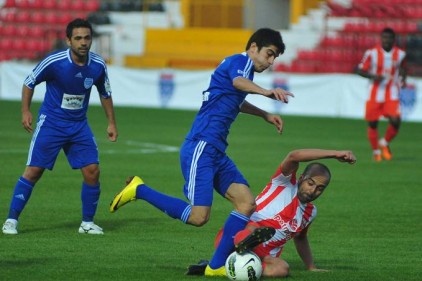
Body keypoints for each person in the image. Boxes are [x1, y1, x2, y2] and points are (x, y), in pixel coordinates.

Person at [109, 28, 293, 275]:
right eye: (269, 54)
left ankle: (215, 266)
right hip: (202, 146)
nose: (270, 62)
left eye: (274, 58)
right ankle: (140, 190)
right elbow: (238, 83)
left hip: (216, 151)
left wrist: (265, 115)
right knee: (198, 217)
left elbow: (236, 99)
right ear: (253, 48)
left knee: (246, 203)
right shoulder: (238, 62)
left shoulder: (244, 69)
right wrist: (266, 92)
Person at [2, 18, 118, 235]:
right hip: (52, 124)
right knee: (34, 171)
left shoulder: (98, 65)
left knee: (93, 171)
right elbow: (29, 82)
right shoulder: (54, 62)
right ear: (68, 41)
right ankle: (11, 220)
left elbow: (105, 93)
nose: (83, 42)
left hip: (78, 126)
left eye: (87, 38)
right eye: (78, 38)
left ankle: (87, 223)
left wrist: (111, 122)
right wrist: (25, 111)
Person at [187, 148, 357, 278]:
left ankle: (230, 266)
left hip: (263, 257)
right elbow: (294, 156)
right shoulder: (282, 183)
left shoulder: (310, 213)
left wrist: (311, 266)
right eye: (310, 183)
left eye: (320, 188)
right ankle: (243, 245)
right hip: (233, 237)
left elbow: (301, 238)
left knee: (282, 269)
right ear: (301, 178)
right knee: (253, 227)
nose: (313, 191)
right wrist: (334, 154)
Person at [356, 27, 406, 162]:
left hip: (392, 92)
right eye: (384, 37)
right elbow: (359, 70)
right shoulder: (371, 53)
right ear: (381, 38)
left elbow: (403, 68)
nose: (386, 40)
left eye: (389, 38)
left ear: (393, 40)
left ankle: (384, 143)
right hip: (374, 92)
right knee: (373, 123)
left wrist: (403, 79)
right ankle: (376, 151)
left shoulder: (400, 54)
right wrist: (372, 76)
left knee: (396, 120)